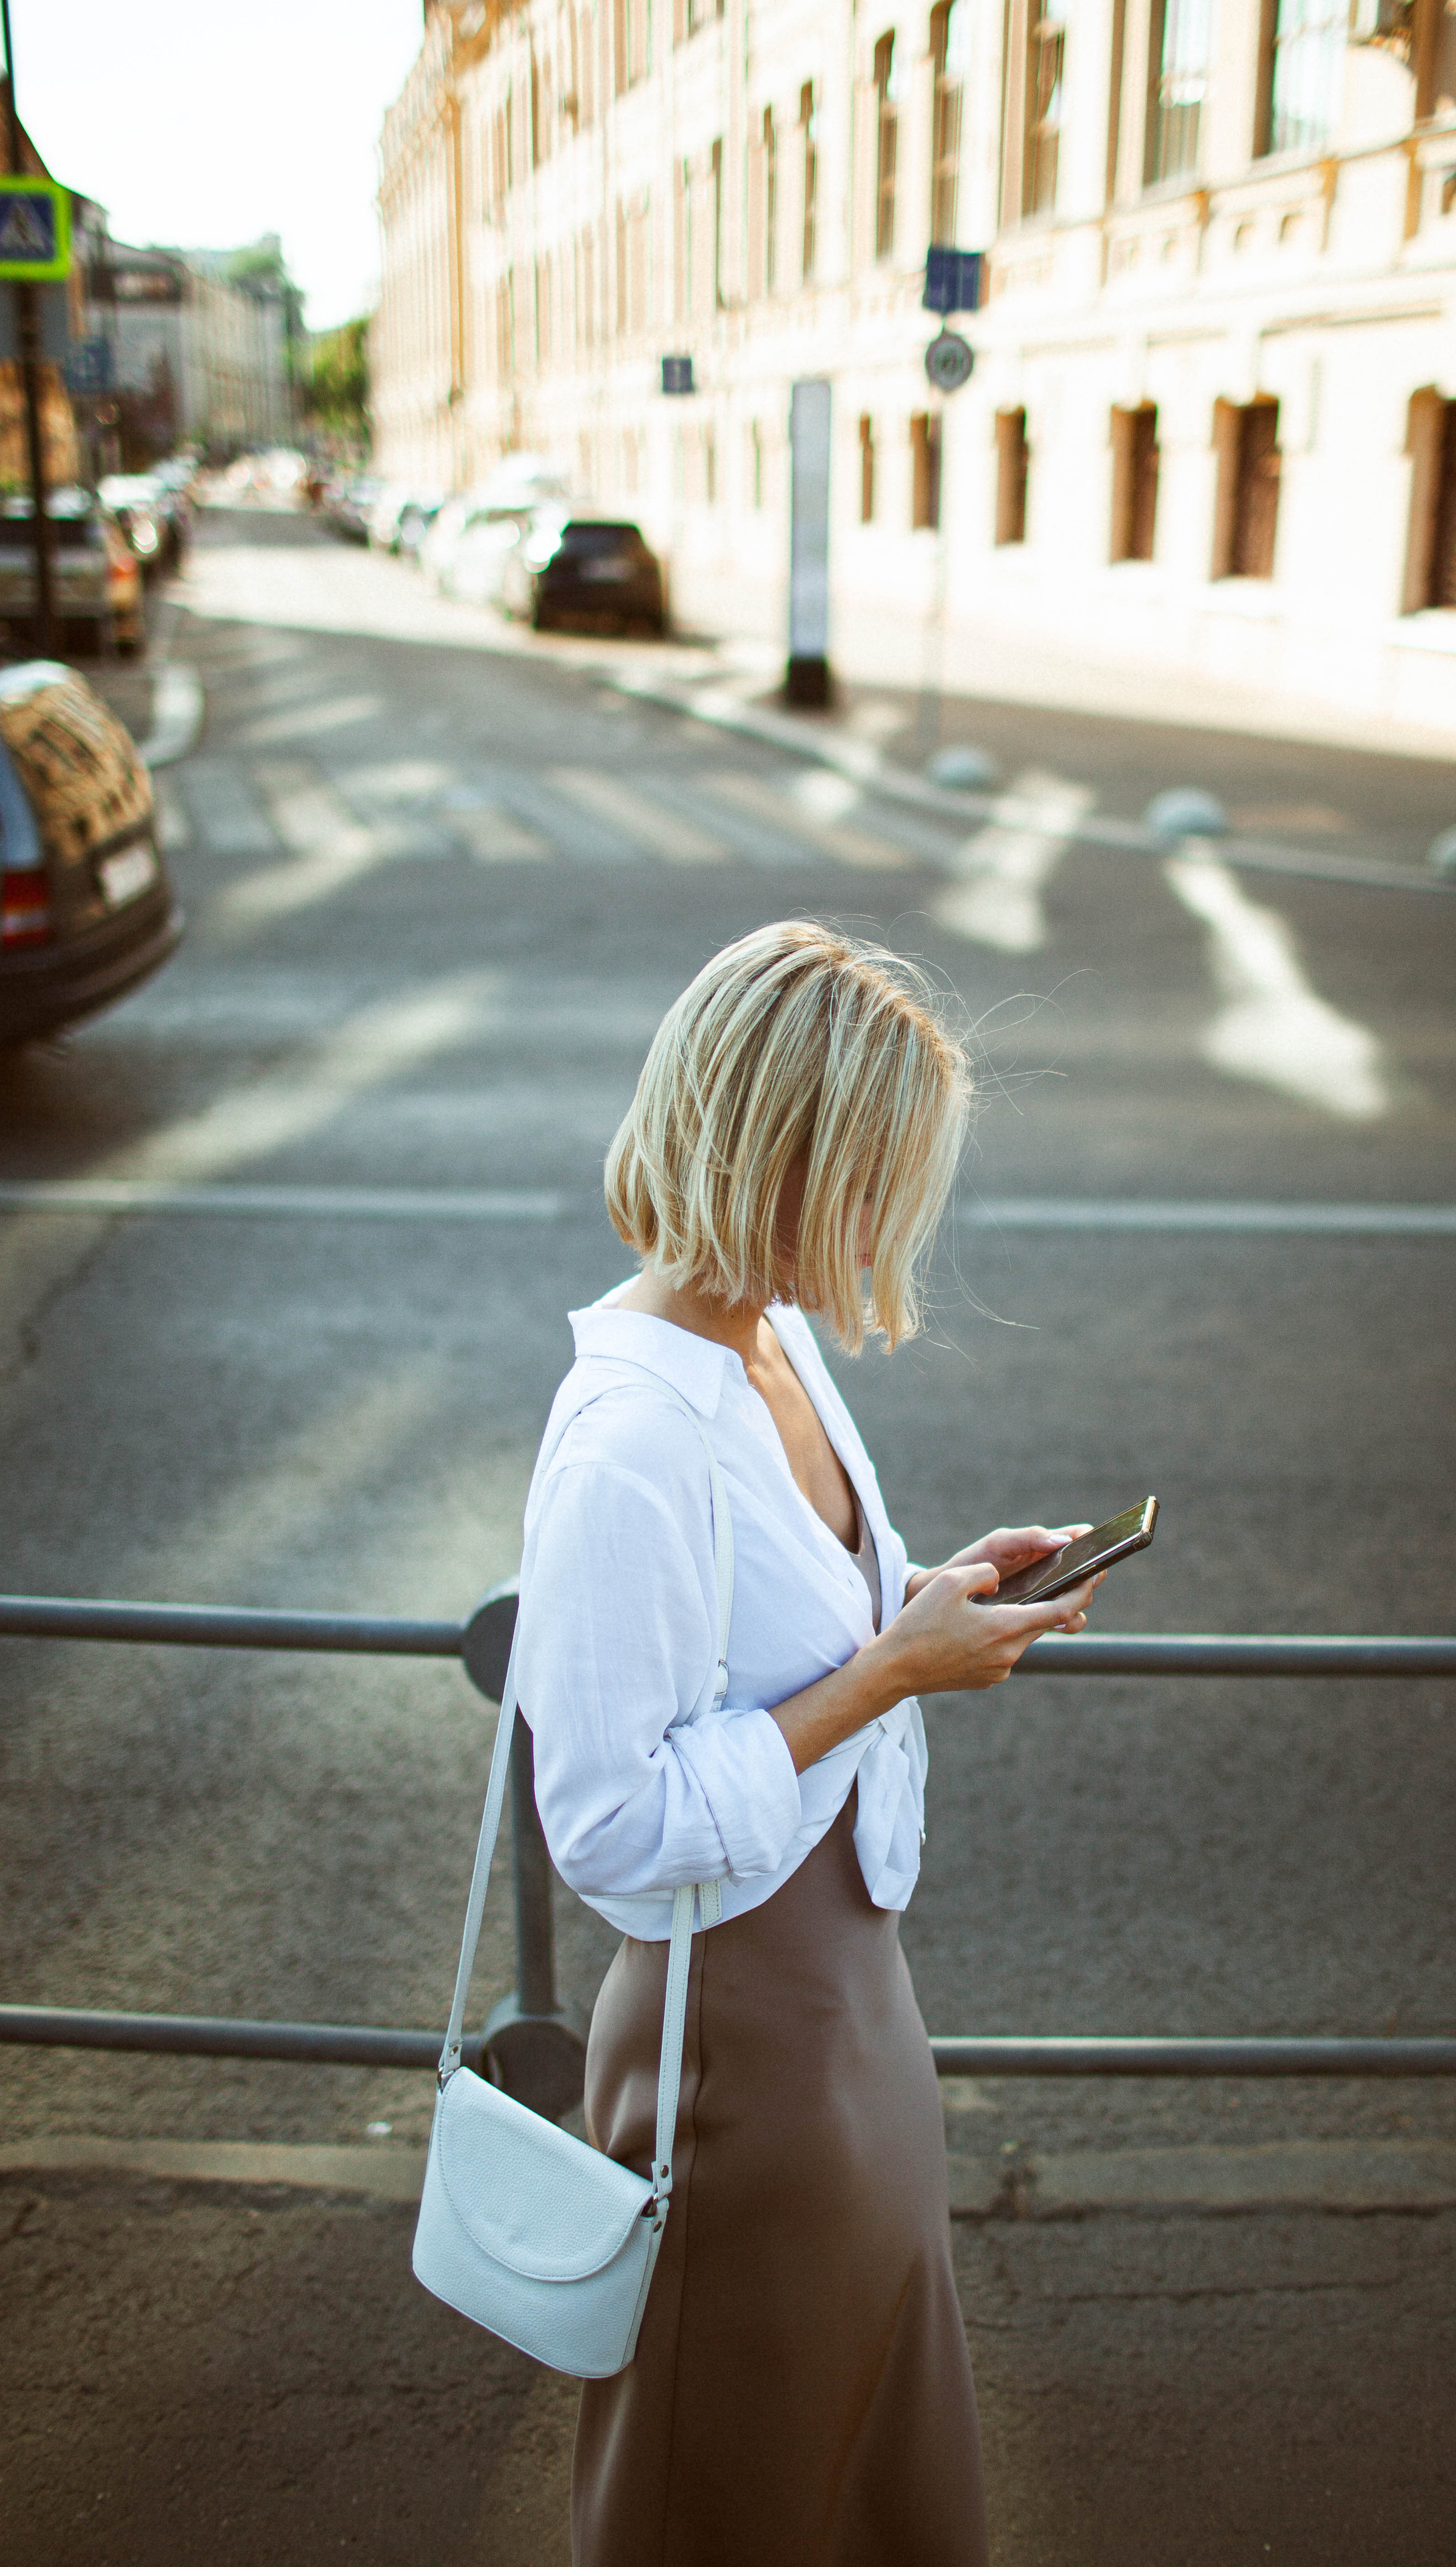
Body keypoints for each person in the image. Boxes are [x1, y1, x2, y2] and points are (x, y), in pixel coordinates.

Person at [515, 921, 1100, 2567]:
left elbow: (766, 1648)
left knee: (868, 2465)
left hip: (850, 2013)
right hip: (740, 2049)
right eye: (871, 1179)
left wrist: (918, 1606)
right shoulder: (631, 1441)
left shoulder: (769, 1345)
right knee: (725, 2493)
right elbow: (612, 1829)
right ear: (776, 1158)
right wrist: (889, 1676)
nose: (888, 1226)